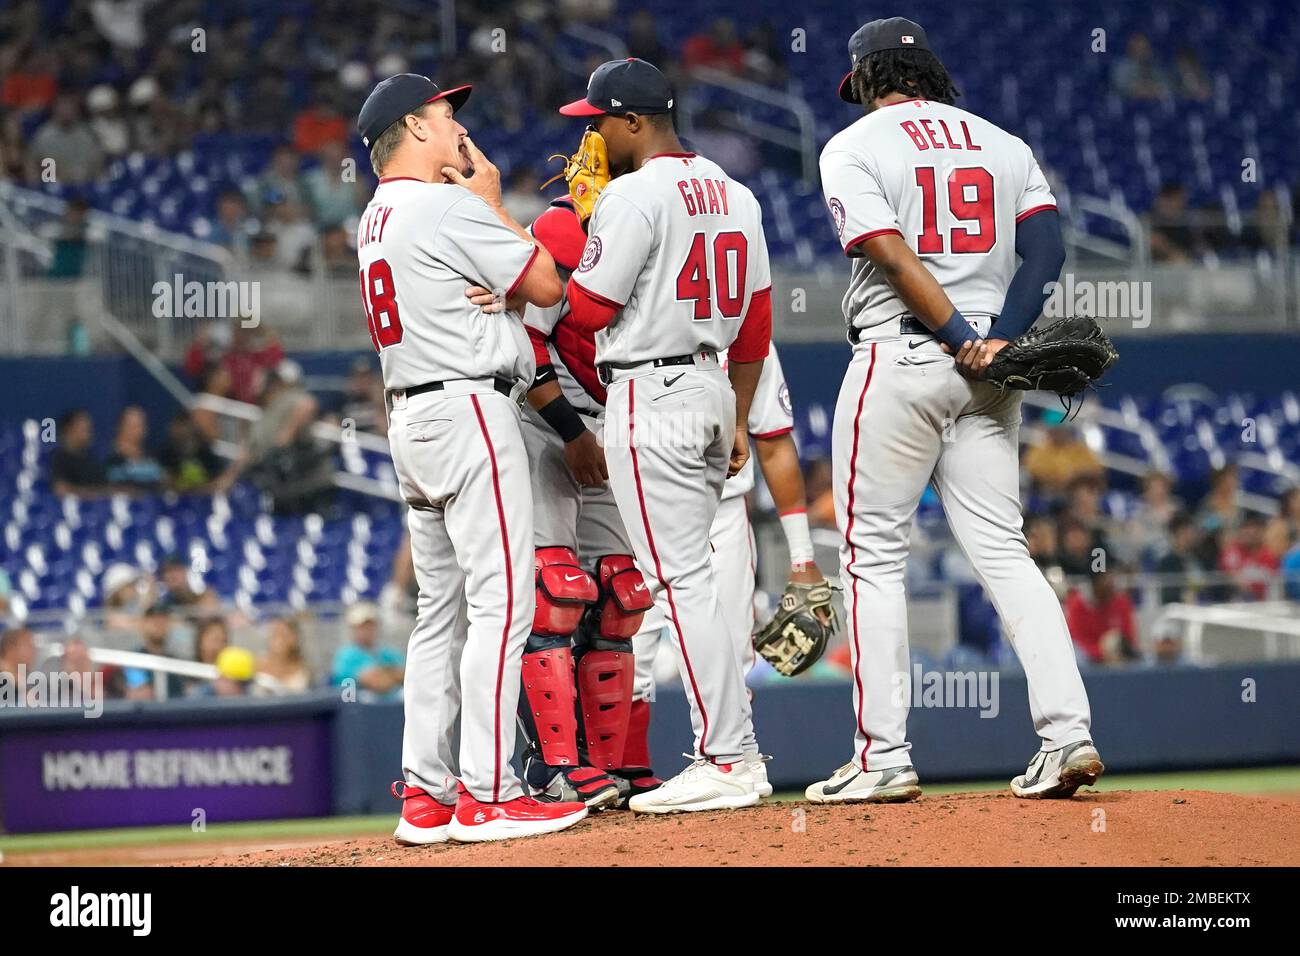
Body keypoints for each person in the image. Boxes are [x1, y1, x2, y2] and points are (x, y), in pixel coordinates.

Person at [810, 18, 1102, 804]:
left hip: (903, 355)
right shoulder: (1004, 144)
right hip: (990, 372)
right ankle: (1067, 735)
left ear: (870, 79)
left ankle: (883, 754)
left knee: (873, 558)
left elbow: (892, 252)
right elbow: (1048, 253)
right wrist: (997, 339)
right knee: (1006, 553)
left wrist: (957, 334)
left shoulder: (856, 144)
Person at [354, 73, 585, 844]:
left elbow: (498, 287)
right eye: (447, 117)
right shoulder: (447, 204)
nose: (460, 132)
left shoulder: (376, 217)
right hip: (468, 409)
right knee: (504, 602)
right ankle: (490, 791)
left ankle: (424, 793)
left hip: (410, 420)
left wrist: (497, 283)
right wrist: (491, 202)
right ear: (414, 130)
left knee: (439, 614)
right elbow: (549, 287)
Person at [550, 57, 773, 814]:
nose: (593, 136)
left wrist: (585, 224)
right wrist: (739, 413)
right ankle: (734, 752)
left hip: (654, 388)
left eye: (601, 121)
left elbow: (583, 311)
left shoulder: (633, 194)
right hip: (711, 383)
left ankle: (729, 758)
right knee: (698, 581)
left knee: (679, 585)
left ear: (635, 121)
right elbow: (758, 324)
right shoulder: (737, 192)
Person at [1064, 572, 1140, 665]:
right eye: (1104, 579)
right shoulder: (1077, 604)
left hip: (1119, 657)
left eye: (1110, 578)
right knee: (1077, 656)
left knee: (1146, 660)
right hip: (1089, 658)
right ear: (1094, 583)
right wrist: (1102, 652)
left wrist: (1120, 651)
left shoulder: (1121, 601)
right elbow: (1076, 640)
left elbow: (1129, 637)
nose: (1109, 584)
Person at [330, 602, 403, 693]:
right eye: (361, 627)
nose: (366, 630)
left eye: (370, 626)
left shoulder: (388, 652)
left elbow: (406, 674)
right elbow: (377, 682)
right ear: (352, 629)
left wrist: (383, 674)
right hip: (358, 705)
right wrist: (390, 674)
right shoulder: (346, 655)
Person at [48, 409, 107, 496]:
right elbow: (60, 490)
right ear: (69, 430)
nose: (89, 433)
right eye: (83, 429)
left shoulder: (92, 460)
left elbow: (104, 490)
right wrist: (88, 494)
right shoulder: (59, 458)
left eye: (89, 429)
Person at [104, 405, 165, 489]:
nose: (137, 430)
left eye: (140, 425)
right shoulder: (110, 460)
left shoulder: (152, 459)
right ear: (120, 427)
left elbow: (163, 482)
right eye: (131, 425)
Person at [256, 616, 312, 693]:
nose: (279, 640)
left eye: (283, 634)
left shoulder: (304, 670)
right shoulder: (256, 665)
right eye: (275, 634)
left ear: (294, 638)